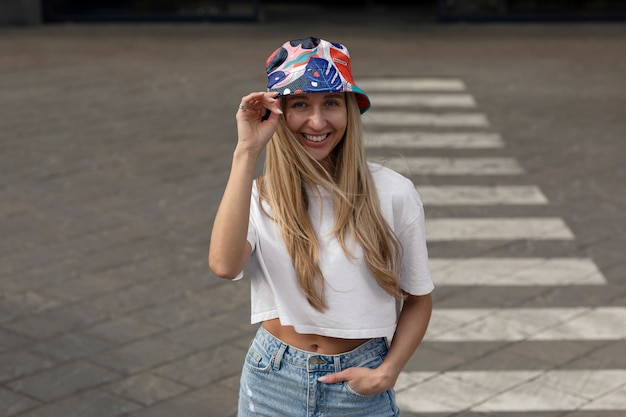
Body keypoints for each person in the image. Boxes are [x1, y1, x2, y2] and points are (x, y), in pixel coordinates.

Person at [209, 37, 434, 417]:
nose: (317, 121)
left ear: (349, 110)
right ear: (278, 113)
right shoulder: (261, 194)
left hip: (358, 385)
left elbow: (419, 298)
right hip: (271, 381)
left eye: (331, 102)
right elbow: (224, 265)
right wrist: (246, 151)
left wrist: (386, 374)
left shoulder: (393, 192)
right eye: (300, 105)